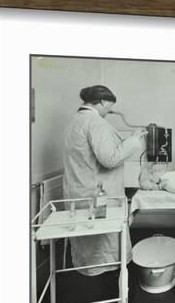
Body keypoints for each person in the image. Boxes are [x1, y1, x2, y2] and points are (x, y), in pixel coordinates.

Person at [63, 85, 147, 276]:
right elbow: (109, 160)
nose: (110, 111)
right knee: (104, 249)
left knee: (88, 247)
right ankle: (108, 288)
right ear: (102, 102)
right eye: (110, 106)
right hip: (98, 194)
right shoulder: (96, 123)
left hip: (79, 191)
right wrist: (133, 139)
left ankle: (91, 278)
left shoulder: (74, 121)